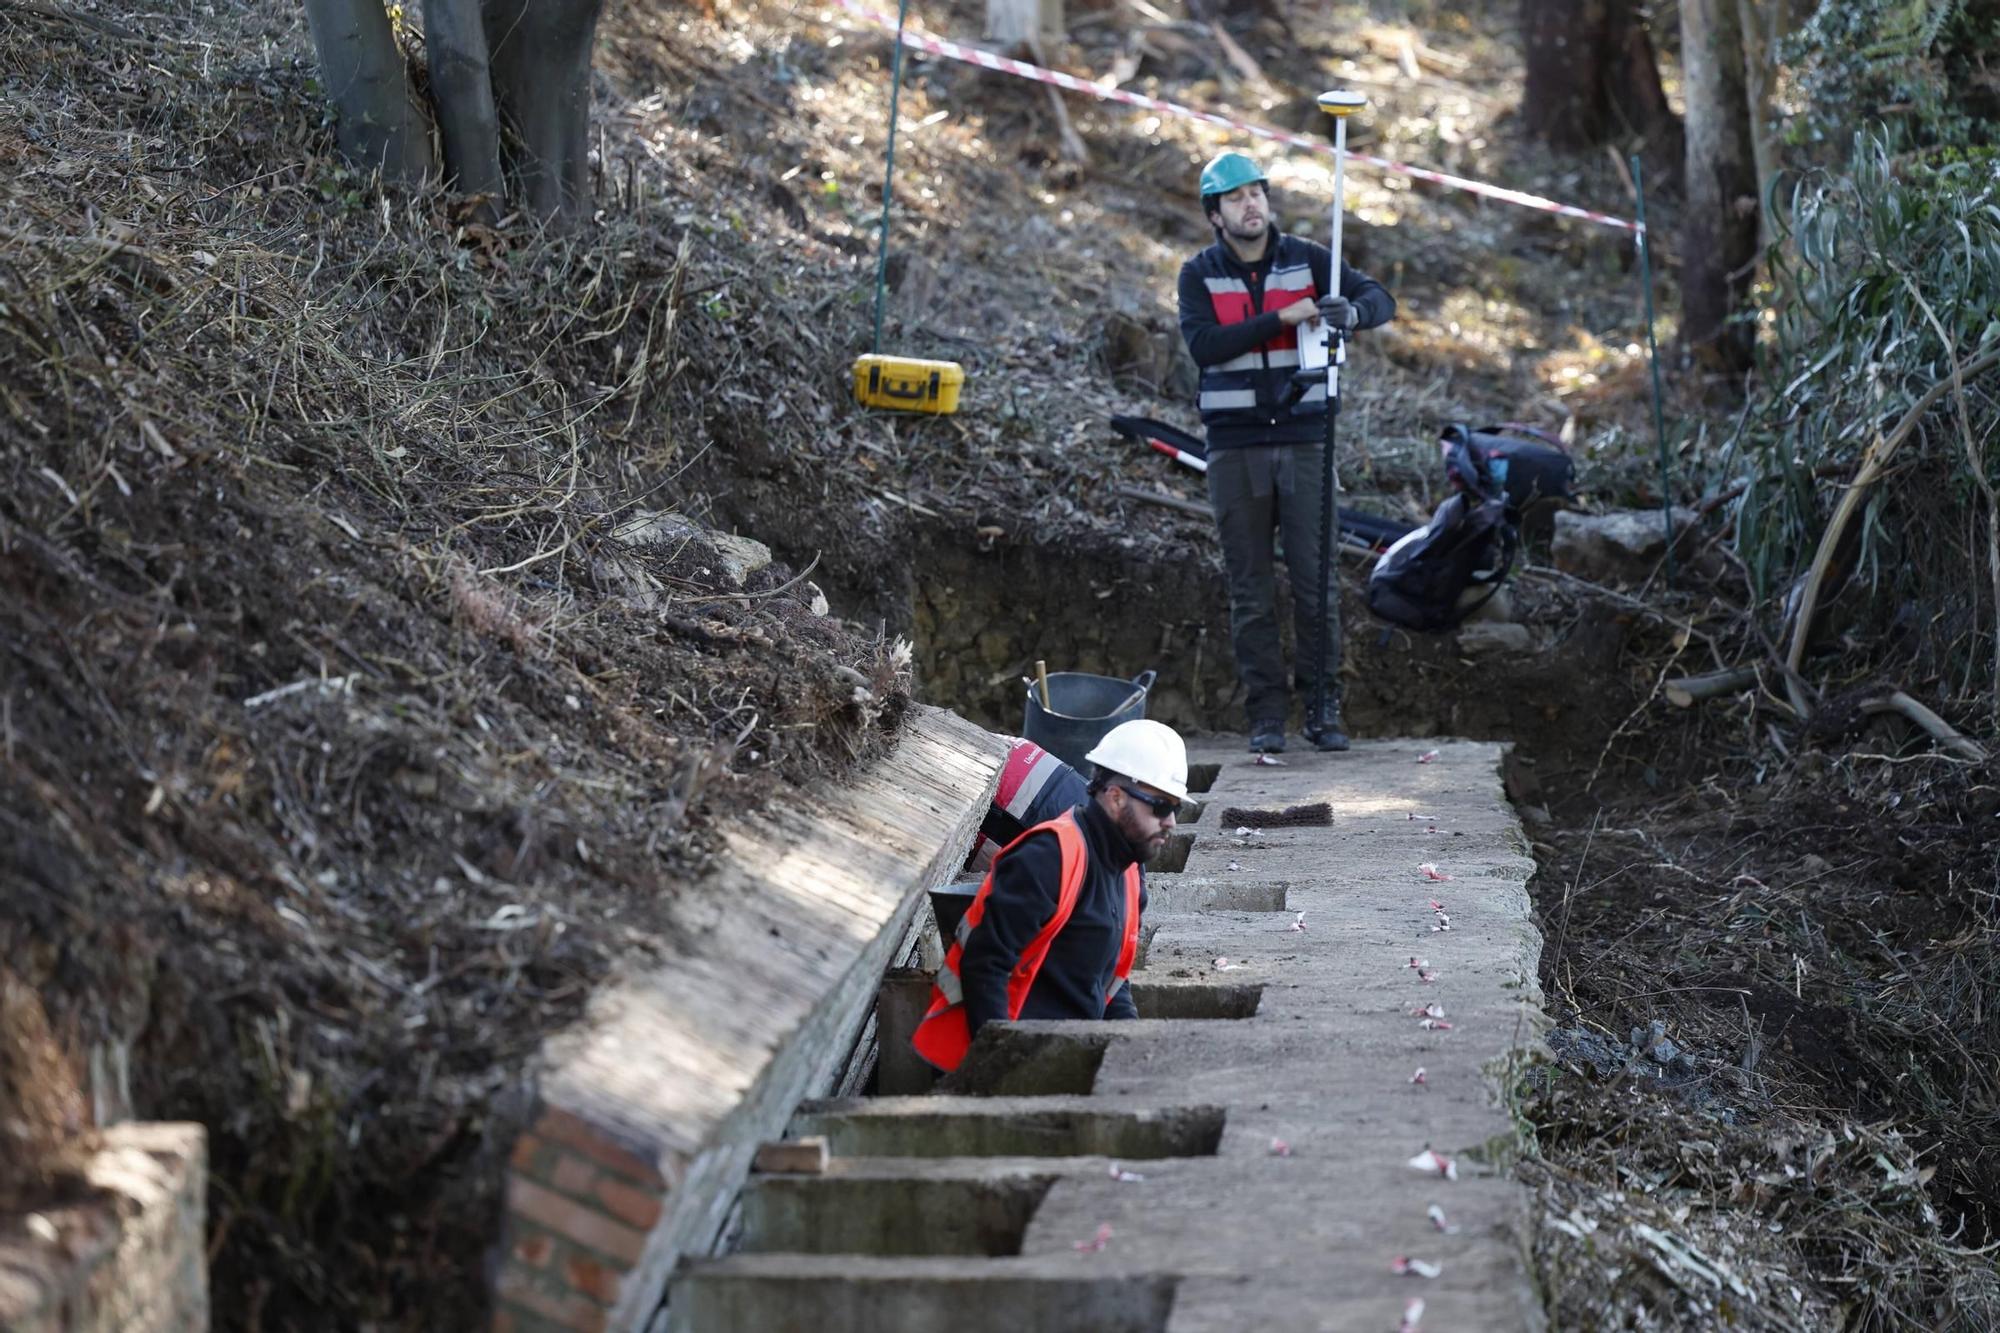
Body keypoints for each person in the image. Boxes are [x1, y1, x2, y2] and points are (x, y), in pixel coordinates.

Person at [1177, 150, 1396, 754]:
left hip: (1306, 439)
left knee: (1316, 582)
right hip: (1235, 447)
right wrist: (1282, 317)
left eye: (1256, 193)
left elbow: (1380, 298)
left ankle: (1322, 710)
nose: (1250, 205)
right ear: (1215, 215)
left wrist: (1353, 311)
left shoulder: (1309, 259)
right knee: (1250, 589)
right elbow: (1204, 346)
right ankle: (1266, 716)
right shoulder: (1198, 275)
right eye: (1235, 198)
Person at [911, 720, 1188, 1072]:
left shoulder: (1129, 873)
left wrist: (1129, 1049)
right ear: (1116, 797)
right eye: (1161, 806)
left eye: (1176, 808)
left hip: (1059, 1054)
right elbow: (984, 967)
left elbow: (1112, 984)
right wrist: (997, 1072)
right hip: (996, 1063)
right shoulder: (1049, 856)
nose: (1171, 821)